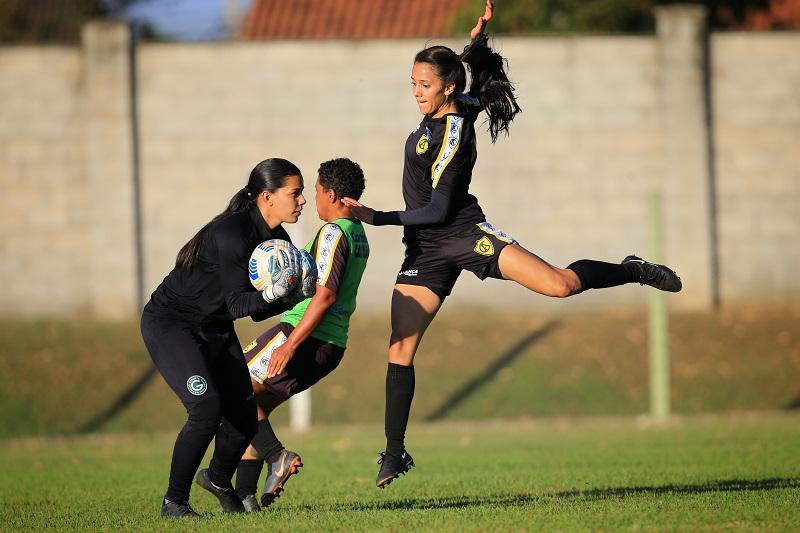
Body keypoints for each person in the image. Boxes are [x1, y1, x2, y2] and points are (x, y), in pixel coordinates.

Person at [341, 0, 683, 489]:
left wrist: (375, 216)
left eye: (423, 84)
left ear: (446, 88)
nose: (415, 92)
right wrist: (476, 43)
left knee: (561, 285)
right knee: (399, 348)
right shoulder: (456, 105)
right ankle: (394, 453)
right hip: (425, 251)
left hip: (463, 233)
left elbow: (438, 210)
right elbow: (474, 89)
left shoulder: (455, 131)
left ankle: (631, 268)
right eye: (412, 83)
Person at [140, 157, 310, 518]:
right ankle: (174, 502)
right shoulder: (232, 234)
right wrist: (275, 293)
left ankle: (218, 480)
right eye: (294, 194)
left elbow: (258, 309)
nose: (302, 201)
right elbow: (237, 304)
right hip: (173, 324)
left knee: (246, 417)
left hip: (214, 327)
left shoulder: (277, 239)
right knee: (206, 409)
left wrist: (297, 294)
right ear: (267, 196)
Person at [233, 158, 369, 512]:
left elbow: (324, 294)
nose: (310, 200)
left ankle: (277, 458)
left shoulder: (333, 232)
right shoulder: (359, 235)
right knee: (255, 409)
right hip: (332, 345)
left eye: (316, 191)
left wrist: (290, 344)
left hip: (302, 334)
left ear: (332, 193)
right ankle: (245, 498)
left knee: (231, 389)